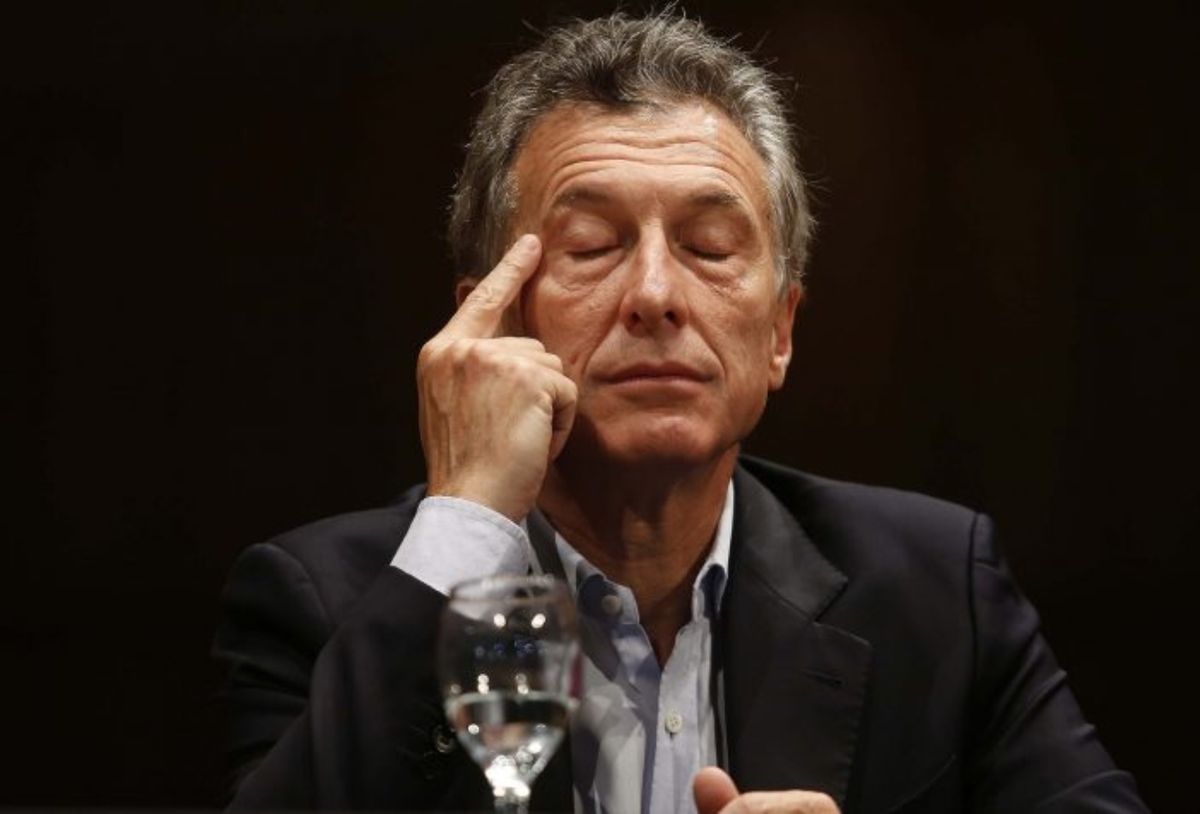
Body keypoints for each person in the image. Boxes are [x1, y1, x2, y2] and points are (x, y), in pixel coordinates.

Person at [213, 11, 1149, 813]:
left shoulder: (939, 596)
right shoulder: (320, 604)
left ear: (780, 331)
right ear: (486, 328)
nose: (656, 295)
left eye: (708, 246)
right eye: (592, 244)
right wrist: (467, 520)